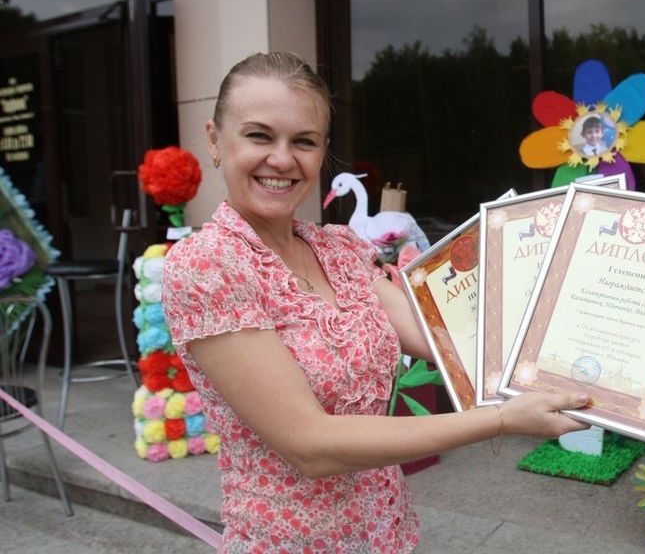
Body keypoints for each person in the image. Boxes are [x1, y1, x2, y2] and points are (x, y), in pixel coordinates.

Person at [162, 52, 588, 553]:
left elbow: (443, 336)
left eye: (304, 141)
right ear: (215, 139)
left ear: (323, 152)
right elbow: (309, 444)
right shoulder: (208, 266)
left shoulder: (338, 249)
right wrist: (501, 420)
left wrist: (572, 331)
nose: (282, 159)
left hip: (387, 532)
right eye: (259, 136)